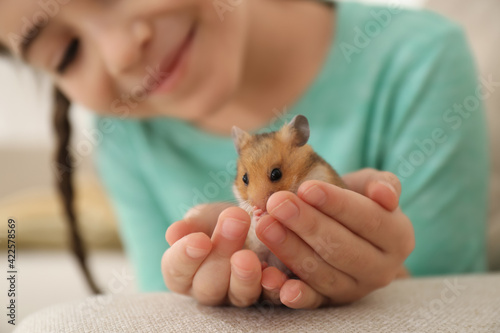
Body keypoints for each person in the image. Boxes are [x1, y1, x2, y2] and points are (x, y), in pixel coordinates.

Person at [0, 0, 489, 309]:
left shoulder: (420, 57)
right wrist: (197, 287)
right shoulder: (123, 134)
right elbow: (155, 303)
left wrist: (380, 273)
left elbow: (458, 303)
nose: (121, 53)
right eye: (65, 55)